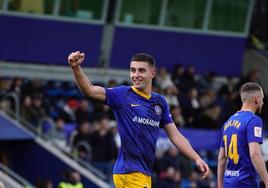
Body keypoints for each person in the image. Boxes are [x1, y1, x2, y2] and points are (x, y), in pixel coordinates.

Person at [68, 51, 209, 187]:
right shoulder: (123, 95)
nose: (136, 75)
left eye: (141, 70)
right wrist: (76, 68)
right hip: (129, 172)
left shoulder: (160, 102)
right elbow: (89, 90)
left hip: (143, 174)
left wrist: (196, 158)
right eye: (133, 70)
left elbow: (175, 135)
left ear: (153, 73)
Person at [217, 82, 268, 188]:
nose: (262, 103)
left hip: (228, 181)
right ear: (257, 99)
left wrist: (220, 185)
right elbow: (255, 154)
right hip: (246, 181)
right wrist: (267, 181)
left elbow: (221, 158)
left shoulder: (228, 122)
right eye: (262, 99)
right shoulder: (254, 120)